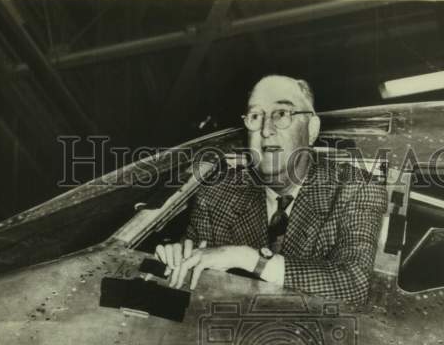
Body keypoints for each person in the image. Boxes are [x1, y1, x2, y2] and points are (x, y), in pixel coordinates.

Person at [155, 75, 387, 305]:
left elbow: (352, 284)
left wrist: (246, 258)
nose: (266, 130)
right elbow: (196, 283)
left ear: (312, 129)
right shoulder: (215, 194)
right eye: (256, 116)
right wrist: (177, 257)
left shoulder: (357, 188)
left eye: (282, 114)